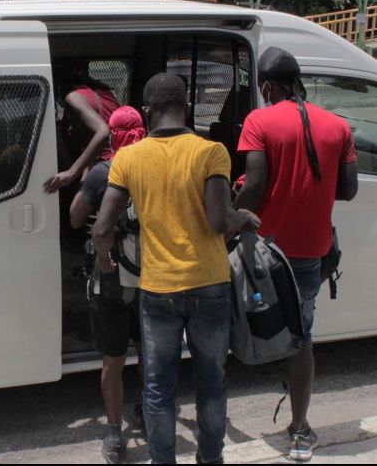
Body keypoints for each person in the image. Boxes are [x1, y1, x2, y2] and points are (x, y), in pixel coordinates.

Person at [93, 73, 261, 464]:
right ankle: (210, 459)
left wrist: (107, 261)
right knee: (211, 382)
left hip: (158, 290)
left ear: (147, 113)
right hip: (209, 285)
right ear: (186, 108)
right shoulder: (210, 151)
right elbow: (220, 220)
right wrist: (242, 217)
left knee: (158, 387)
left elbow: (102, 228)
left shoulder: (128, 159)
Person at [234, 47, 358, 462]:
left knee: (240, 318)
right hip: (311, 254)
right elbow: (349, 189)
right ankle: (301, 430)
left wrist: (229, 220)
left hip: (264, 252)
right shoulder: (338, 126)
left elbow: (253, 186)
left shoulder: (259, 120)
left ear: (267, 85)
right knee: (302, 338)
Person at [69, 106, 147, 464]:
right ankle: (148, 413)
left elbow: (75, 219)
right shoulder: (156, 163)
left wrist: (86, 177)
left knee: (112, 362)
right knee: (150, 353)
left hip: (112, 279)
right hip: (154, 279)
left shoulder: (104, 171)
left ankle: (115, 436)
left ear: (113, 135)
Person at [43, 59, 120, 194]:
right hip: (116, 161)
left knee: (75, 212)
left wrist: (72, 173)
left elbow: (103, 131)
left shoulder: (74, 97)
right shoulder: (105, 93)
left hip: (104, 165)